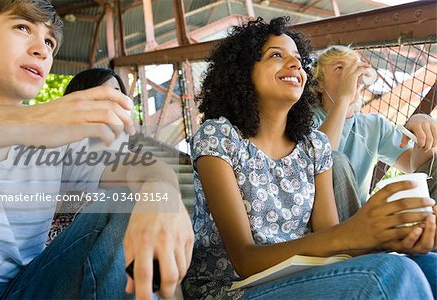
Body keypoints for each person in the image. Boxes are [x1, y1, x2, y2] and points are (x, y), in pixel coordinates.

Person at [181, 16, 437, 299]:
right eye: (276, 55)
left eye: (298, 60)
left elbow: (330, 239)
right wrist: (354, 230)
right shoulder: (219, 136)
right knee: (390, 273)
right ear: (242, 71)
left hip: (304, 275)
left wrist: (392, 235)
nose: (295, 65)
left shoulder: (314, 145)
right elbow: (244, 259)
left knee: (428, 265)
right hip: (234, 288)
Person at [0, 1, 193, 300]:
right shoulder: (51, 125)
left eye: (49, 42)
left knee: (130, 200)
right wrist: (39, 118)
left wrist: (161, 191)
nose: (42, 50)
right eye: (22, 27)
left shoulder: (60, 138)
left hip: (30, 286)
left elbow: (140, 166)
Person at [311, 45, 437, 220]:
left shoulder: (374, 125)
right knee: (336, 161)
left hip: (360, 219)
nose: (351, 76)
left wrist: (423, 128)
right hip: (323, 221)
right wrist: (344, 97)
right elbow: (319, 158)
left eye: (355, 68)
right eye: (340, 68)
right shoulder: (308, 119)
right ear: (319, 85)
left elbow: (413, 165)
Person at [47, 68, 131, 243]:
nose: (114, 100)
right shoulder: (63, 136)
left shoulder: (120, 138)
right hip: (64, 236)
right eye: (104, 92)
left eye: (117, 92)